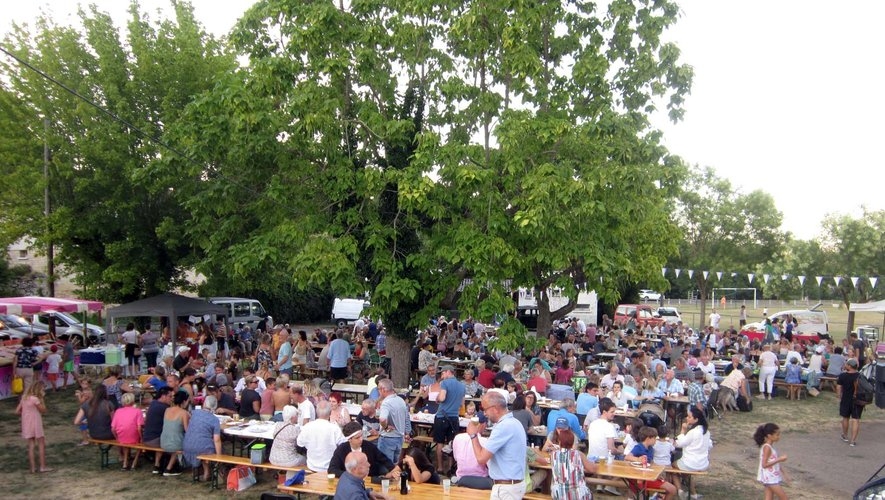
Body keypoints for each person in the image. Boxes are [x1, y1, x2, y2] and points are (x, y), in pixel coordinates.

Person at [465, 390, 527, 498]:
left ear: (495, 409)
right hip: (512, 485)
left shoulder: (503, 427)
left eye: (485, 409)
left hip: (506, 488)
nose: (484, 413)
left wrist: (473, 435)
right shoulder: (515, 422)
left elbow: (481, 459)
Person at [329, 421, 400, 479]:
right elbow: (332, 469)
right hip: (349, 481)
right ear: (349, 439)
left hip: (370, 479)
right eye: (357, 438)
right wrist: (351, 475)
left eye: (361, 436)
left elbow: (384, 460)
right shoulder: (341, 450)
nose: (361, 439)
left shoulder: (369, 446)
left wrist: (393, 470)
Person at [625, 426, 677, 500]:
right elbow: (627, 457)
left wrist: (657, 473)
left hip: (648, 476)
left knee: (673, 489)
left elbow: (651, 463)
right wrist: (638, 459)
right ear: (648, 438)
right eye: (655, 438)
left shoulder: (651, 449)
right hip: (640, 478)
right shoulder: (639, 447)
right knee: (640, 494)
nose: (656, 440)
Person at [673, 407, 713, 499]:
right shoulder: (706, 432)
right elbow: (710, 445)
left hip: (690, 463)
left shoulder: (693, 432)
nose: (687, 418)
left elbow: (679, 443)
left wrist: (683, 430)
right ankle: (693, 494)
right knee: (685, 472)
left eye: (689, 417)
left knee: (672, 467)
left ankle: (679, 490)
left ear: (696, 419)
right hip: (703, 463)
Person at [182, 395, 222, 482]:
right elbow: (217, 440)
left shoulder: (194, 413)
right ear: (215, 406)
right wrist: (219, 457)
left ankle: (199, 471)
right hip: (202, 448)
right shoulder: (214, 420)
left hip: (187, 445)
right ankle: (207, 473)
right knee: (208, 446)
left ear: (204, 403)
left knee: (203, 442)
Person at [297, 400, 346, 472]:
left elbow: (299, 443)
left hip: (312, 465)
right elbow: (343, 444)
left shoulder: (307, 427)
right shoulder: (334, 428)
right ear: (330, 413)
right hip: (330, 467)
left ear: (316, 412)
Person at [433, 364, 465, 472]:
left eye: (443, 373)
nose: (442, 376)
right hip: (454, 417)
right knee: (452, 443)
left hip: (442, 415)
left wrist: (437, 398)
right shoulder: (462, 385)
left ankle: (440, 467)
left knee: (439, 442)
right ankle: (451, 467)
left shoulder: (444, 383)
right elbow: (462, 403)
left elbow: (442, 398)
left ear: (448, 372)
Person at [17, 380, 51, 473]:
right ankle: (42, 467)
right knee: (41, 443)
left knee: (31, 444)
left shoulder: (24, 397)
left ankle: (32, 468)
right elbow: (43, 410)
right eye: (43, 389)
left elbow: (17, 411)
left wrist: (26, 413)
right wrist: (42, 398)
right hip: (35, 422)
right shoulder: (35, 399)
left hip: (26, 423)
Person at [451, 413, 493, 489]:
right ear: (483, 425)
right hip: (481, 479)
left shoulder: (457, 437)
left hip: (461, 477)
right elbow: (490, 464)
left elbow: (456, 458)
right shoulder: (485, 441)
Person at [377, 378, 411, 465]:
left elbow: (382, 419)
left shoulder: (386, 403)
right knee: (395, 466)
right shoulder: (401, 400)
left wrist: (385, 427)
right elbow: (407, 418)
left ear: (383, 389)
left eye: (378, 389)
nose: (378, 392)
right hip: (399, 438)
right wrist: (407, 433)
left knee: (385, 467)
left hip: (387, 438)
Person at [269, 405, 307, 480]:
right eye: (296, 415)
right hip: (287, 460)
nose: (297, 417)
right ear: (292, 418)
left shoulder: (278, 425)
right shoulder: (294, 429)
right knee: (305, 460)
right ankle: (299, 480)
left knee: (294, 459)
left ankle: (288, 478)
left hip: (273, 458)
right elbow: (301, 443)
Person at [111, 393, 145, 470]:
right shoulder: (138, 411)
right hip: (133, 437)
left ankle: (125, 463)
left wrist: (117, 438)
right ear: (133, 401)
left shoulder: (118, 411)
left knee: (125, 441)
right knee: (140, 442)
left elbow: (113, 428)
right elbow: (139, 427)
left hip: (122, 437)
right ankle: (134, 462)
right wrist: (141, 437)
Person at [754, 423, 788, 500]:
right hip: (770, 478)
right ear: (769, 436)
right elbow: (764, 464)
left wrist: (783, 472)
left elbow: (773, 461)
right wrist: (779, 459)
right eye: (777, 435)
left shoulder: (770, 447)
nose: (779, 437)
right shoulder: (767, 448)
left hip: (770, 477)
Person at [160, 391, 190, 476]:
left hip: (163, 441)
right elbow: (187, 430)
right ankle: (168, 468)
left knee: (175, 439)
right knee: (180, 443)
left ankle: (170, 465)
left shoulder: (167, 410)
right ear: (184, 401)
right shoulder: (184, 413)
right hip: (175, 443)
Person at [836, 358, 864, 447]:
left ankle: (845, 435)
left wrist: (839, 396)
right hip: (858, 400)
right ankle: (853, 441)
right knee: (855, 419)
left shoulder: (842, 376)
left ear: (849, 366)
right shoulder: (860, 376)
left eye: (847, 364)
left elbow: (838, 387)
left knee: (845, 417)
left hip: (846, 399)